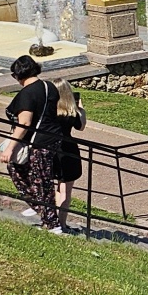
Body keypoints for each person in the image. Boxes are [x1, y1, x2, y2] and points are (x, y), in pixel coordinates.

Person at [1, 55, 68, 231]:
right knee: (39, 179)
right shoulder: (49, 87)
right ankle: (46, 214)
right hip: (52, 139)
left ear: (18, 74)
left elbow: (24, 123)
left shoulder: (27, 93)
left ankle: (51, 223)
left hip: (37, 143)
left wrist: (9, 148)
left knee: (39, 181)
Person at [49, 78, 86, 226]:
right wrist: (81, 110)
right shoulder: (71, 113)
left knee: (56, 189)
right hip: (68, 150)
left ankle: (52, 221)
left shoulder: (49, 112)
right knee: (65, 190)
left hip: (51, 149)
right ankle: (61, 223)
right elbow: (81, 126)